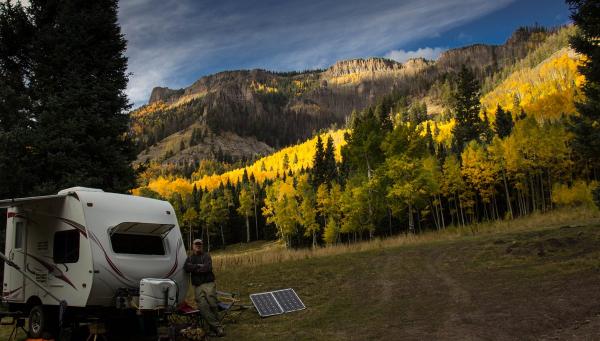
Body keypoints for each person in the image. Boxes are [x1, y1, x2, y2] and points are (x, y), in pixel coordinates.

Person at [184, 238, 225, 337]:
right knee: (202, 307)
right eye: (196, 244)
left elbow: (207, 268)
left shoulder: (206, 256)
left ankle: (215, 329)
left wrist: (194, 268)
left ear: (202, 246)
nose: (198, 246)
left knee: (212, 304)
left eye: (200, 244)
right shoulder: (189, 258)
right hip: (197, 286)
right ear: (193, 246)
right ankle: (218, 327)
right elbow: (186, 268)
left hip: (208, 284)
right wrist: (199, 266)